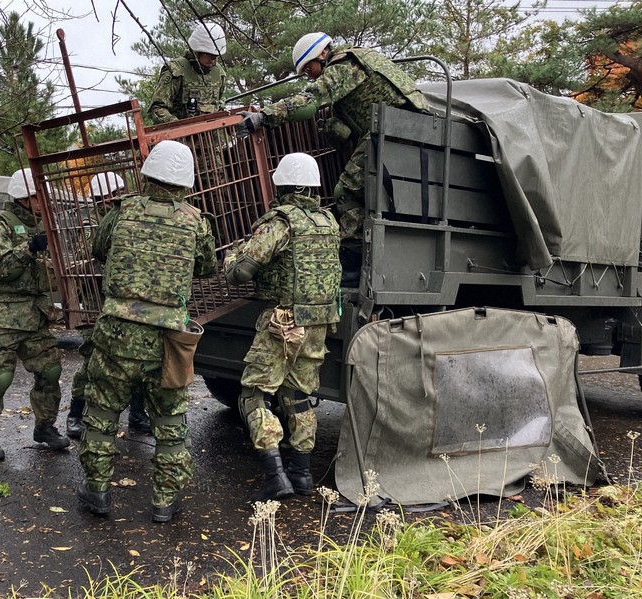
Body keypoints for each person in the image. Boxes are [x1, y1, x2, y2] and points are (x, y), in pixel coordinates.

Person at [77, 140, 217, 521]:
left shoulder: (122, 212)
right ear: (185, 181)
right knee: (170, 419)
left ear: (147, 174)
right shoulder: (195, 221)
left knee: (103, 411)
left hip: (116, 332)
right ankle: (164, 502)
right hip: (167, 338)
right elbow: (207, 266)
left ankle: (97, 491)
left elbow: (98, 248)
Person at [238, 32, 428, 283]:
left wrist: (264, 116)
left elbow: (309, 101)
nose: (311, 76)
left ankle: (352, 260)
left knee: (346, 190)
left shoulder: (344, 66)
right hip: (399, 128)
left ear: (322, 55)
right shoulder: (360, 60)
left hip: (393, 130)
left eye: (309, 69)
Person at [223, 153, 341, 502]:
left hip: (282, 322)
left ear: (283, 185)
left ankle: (275, 475)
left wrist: (231, 256)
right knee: (299, 396)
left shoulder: (281, 222)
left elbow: (240, 272)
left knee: (253, 395)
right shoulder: (329, 221)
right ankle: (301, 475)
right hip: (317, 323)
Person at [0, 168, 70, 460]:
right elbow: (4, 270)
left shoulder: (39, 225)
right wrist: (29, 248)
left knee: (50, 371)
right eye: (40, 196)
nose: (46, 201)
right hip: (1, 316)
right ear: (25, 197)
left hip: (33, 314)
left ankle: (45, 427)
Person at [66, 173, 152, 438]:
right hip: (97, 302)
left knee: (137, 359)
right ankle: (75, 415)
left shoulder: (132, 216)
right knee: (93, 359)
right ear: (103, 198)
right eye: (118, 193)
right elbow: (86, 256)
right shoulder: (92, 223)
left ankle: (137, 415)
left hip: (126, 300)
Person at [148, 22, 227, 124]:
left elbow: (218, 105)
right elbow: (157, 108)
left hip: (209, 137)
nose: (213, 61)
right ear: (197, 52)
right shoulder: (176, 71)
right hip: (179, 137)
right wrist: (179, 126)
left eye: (216, 57)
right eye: (209, 56)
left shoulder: (219, 73)